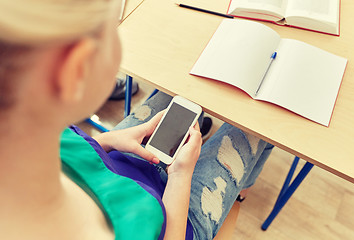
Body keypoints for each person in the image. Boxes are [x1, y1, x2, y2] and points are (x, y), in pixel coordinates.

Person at [0, 0, 274, 239]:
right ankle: (241, 190)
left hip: (117, 160)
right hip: (177, 220)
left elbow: (69, 151)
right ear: (76, 69)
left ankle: (239, 184)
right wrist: (180, 175)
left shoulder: (20, 130)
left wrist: (107, 140)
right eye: (113, 26)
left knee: (179, 91)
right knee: (258, 123)